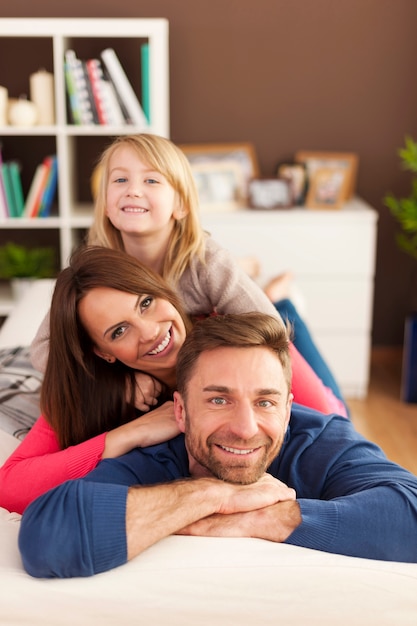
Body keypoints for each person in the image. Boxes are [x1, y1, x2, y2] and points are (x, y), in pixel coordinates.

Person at [19, 312, 417, 579]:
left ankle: (282, 298)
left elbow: (409, 512)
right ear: (179, 412)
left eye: (265, 402)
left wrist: (263, 518)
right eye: (218, 400)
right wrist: (213, 494)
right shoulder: (156, 458)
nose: (245, 429)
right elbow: (47, 535)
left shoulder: (320, 437)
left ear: (288, 408)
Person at [0, 246, 339, 515]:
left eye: (146, 303)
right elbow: (10, 486)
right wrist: (128, 434)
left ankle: (278, 296)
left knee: (288, 327)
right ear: (103, 352)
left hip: (320, 394)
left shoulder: (231, 332)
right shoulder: (95, 390)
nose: (150, 332)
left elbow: (328, 416)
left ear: (162, 289)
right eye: (119, 331)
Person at [29, 133, 347, 414]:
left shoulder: (207, 260)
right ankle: (264, 283)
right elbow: (43, 351)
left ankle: (279, 295)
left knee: (330, 411)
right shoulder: (96, 273)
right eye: (120, 180)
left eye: (151, 180)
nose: (133, 191)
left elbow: (271, 330)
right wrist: (121, 384)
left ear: (180, 205)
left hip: (256, 322)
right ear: (107, 207)